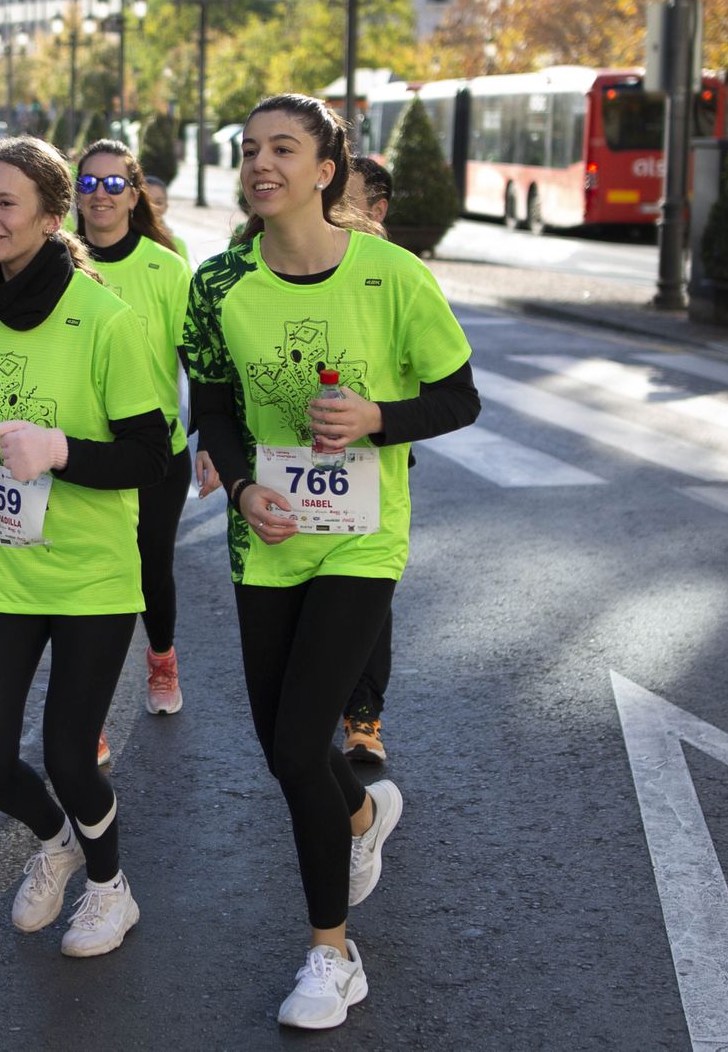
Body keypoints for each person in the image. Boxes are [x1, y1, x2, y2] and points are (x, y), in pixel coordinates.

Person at [184, 94, 479, 1029]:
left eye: (283, 148)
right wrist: (240, 488)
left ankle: (332, 956)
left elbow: (461, 397)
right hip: (266, 540)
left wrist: (377, 417)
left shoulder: (392, 276)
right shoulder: (218, 284)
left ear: (325, 170)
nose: (260, 164)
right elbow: (213, 407)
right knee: (291, 749)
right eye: (249, 149)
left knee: (296, 741)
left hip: (361, 538)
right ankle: (361, 813)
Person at [0, 135, 168, 958]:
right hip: (1, 567)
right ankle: (56, 843)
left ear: (53, 218)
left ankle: (109, 888)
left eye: (5, 203)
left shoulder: (106, 321)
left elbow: (150, 455)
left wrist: (59, 451)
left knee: (70, 756)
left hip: (90, 575)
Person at [72, 139, 196, 769]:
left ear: (134, 194)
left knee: (150, 571)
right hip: (80, 455)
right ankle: (89, 711)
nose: (101, 194)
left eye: (114, 183)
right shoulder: (56, 262)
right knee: (89, 580)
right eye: (88, 183)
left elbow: (198, 359)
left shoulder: (166, 268)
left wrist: (214, 441)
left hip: (155, 455)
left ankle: (162, 658)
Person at [339, 154, 395, 764]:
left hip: (369, 466)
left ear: (376, 210)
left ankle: (363, 717)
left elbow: (445, 390)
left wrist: (377, 417)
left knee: (369, 598)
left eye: (343, 196)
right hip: (283, 468)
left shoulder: (394, 277)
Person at [140, 175, 190, 263]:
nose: (153, 207)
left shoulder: (177, 244)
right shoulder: (124, 239)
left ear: (166, 206)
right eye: (147, 202)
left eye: (159, 203)